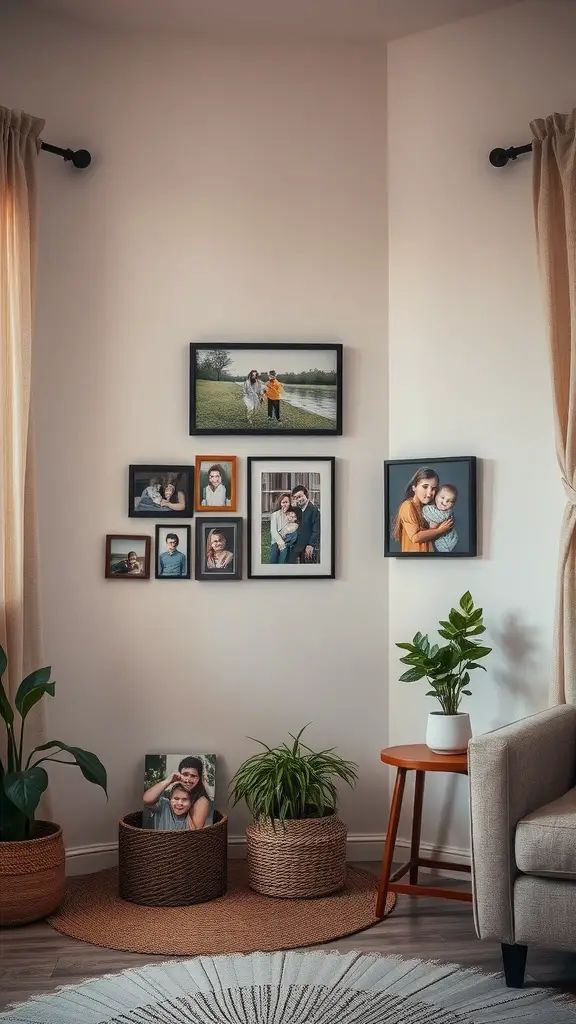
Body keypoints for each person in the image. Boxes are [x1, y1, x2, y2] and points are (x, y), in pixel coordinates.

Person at [392, 468, 454, 553]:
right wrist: (440, 530)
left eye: (433, 489)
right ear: (414, 487)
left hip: (428, 559)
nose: (429, 494)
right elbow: (415, 537)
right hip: (414, 561)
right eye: (425, 487)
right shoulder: (408, 506)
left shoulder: (428, 510)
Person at [143, 756, 211, 830]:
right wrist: (168, 781)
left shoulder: (201, 800)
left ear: (199, 778)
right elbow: (147, 799)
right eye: (185, 774)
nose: (188, 779)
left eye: (193, 776)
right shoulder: (165, 804)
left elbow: (194, 832)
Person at [421, 484, 459, 553]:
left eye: (449, 501)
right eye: (442, 497)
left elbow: (426, 511)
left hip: (447, 542)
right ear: (436, 496)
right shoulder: (434, 508)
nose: (444, 502)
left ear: (453, 505)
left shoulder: (445, 514)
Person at [290, 484, 320, 563]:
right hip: (296, 545)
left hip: (307, 546)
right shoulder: (298, 509)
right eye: (296, 498)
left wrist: (311, 545)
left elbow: (316, 530)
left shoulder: (314, 510)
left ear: (306, 495)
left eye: (300, 496)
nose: (298, 500)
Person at [269, 492, 291, 562]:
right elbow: (273, 530)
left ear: (290, 503)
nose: (285, 504)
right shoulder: (274, 515)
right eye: (283, 502)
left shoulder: (292, 514)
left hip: (287, 541)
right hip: (276, 541)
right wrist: (280, 543)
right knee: (274, 559)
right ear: (280, 504)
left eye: (286, 502)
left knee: (283, 559)